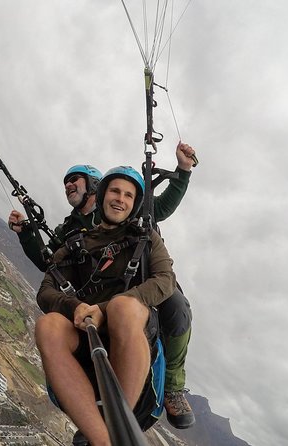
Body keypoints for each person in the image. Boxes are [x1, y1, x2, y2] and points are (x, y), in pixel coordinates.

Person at [9, 141, 197, 429]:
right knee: (52, 325)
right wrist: (26, 236)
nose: (69, 186)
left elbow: (159, 207)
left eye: (75, 180)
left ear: (94, 185)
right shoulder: (71, 230)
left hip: (135, 292)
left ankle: (172, 384)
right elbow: (52, 267)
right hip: (93, 297)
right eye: (66, 183)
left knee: (176, 306)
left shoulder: (134, 221)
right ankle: (98, 425)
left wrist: (182, 172)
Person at [36, 167, 175, 445]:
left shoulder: (146, 241)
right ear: (101, 196)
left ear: (134, 204)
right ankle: (103, 439)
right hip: (87, 337)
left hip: (130, 336)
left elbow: (165, 280)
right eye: (114, 191)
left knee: (124, 307)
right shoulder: (79, 243)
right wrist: (75, 306)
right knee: (48, 325)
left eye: (127, 195)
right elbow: (46, 289)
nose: (120, 199)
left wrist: (104, 308)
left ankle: (115, 424)